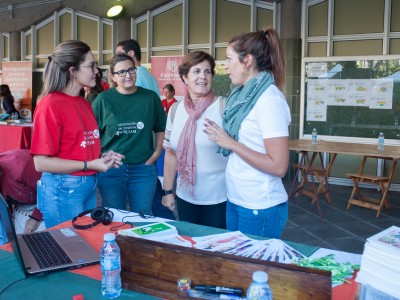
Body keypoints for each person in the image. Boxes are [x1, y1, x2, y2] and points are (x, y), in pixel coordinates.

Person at [204, 28, 291, 238]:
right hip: (237, 199)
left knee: (252, 271)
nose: (225, 66)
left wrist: (231, 143)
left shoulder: (269, 100)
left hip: (260, 206)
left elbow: (279, 166)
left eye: (229, 59)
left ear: (247, 61)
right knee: (238, 269)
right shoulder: (243, 96)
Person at [30, 40, 124, 228]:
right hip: (64, 188)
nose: (96, 71)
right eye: (91, 66)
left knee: (81, 246)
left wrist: (102, 157)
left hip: (87, 185)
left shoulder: (84, 103)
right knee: (67, 250)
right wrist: (89, 163)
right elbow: (40, 163)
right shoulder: (50, 105)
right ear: (72, 71)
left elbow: (77, 148)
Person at [92, 53, 166, 214]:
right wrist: (100, 157)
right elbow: (92, 134)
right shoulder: (102, 100)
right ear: (113, 76)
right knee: (115, 216)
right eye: (122, 72)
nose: (128, 75)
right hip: (112, 170)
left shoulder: (150, 98)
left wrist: (157, 153)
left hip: (143, 169)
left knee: (143, 215)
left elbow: (160, 128)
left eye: (131, 70)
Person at [162, 51, 228, 229]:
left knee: (215, 251)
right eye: (196, 71)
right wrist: (168, 191)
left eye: (207, 72)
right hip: (185, 196)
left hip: (219, 198)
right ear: (185, 77)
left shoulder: (223, 107)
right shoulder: (176, 110)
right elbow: (170, 153)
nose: (203, 77)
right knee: (190, 246)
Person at [115, 39, 174, 219]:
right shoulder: (146, 75)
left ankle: (167, 227)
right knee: (153, 198)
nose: (127, 76)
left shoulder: (137, 78)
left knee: (144, 207)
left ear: (131, 55)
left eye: (120, 54)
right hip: (147, 147)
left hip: (141, 150)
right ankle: (168, 225)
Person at [0, 149, 45, 234]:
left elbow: (48, 191)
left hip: (46, 199)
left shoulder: (21, 167)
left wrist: (36, 218)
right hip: (21, 205)